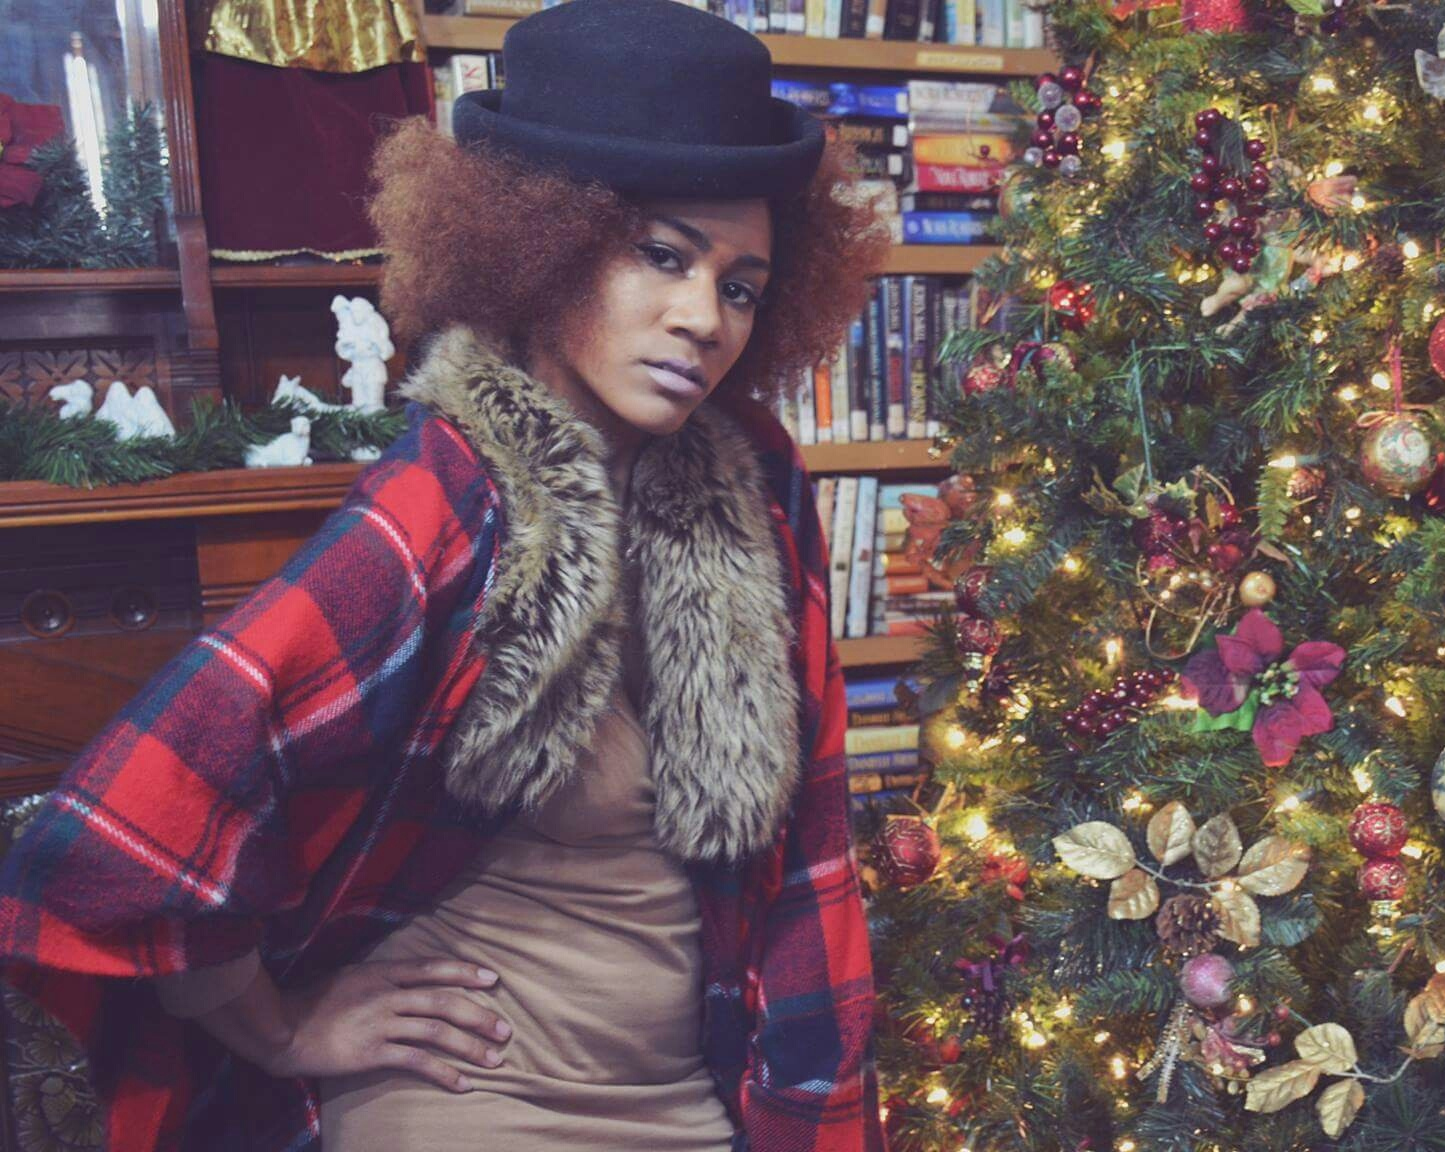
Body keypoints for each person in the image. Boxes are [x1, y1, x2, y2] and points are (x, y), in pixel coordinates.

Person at [0, 0, 892, 1147]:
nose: (702, 319)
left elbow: (811, 850)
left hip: (693, 1085)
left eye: (740, 285)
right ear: (542, 239)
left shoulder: (757, 479)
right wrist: (280, 1028)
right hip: (469, 1098)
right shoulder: (454, 496)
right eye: (661, 256)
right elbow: (125, 827)